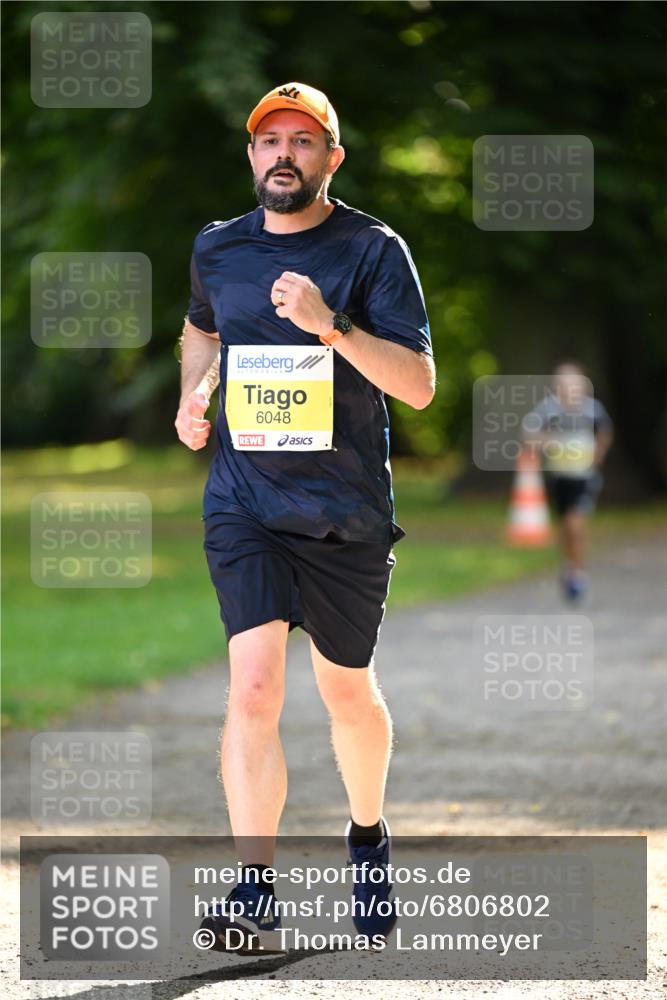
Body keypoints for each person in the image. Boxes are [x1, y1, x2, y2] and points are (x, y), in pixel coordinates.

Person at [175, 82, 435, 952]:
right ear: (251, 154)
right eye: (268, 140)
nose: (282, 154)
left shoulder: (371, 249)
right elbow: (203, 330)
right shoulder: (218, 246)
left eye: (302, 140)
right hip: (243, 498)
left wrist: (331, 326)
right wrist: (193, 394)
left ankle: (366, 838)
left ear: (331, 157)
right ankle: (254, 891)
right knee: (253, 685)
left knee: (345, 691)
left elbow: (417, 385)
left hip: (341, 509)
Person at [523, 362, 613, 601]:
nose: (568, 389)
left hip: (584, 478)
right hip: (559, 478)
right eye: (563, 384)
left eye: (573, 384)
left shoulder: (592, 410)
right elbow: (529, 434)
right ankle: (569, 564)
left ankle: (578, 572)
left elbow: (604, 432)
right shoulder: (548, 410)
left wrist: (598, 454)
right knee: (565, 526)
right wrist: (549, 441)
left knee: (576, 522)